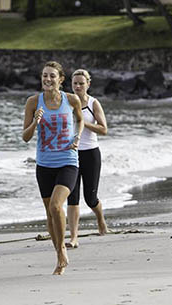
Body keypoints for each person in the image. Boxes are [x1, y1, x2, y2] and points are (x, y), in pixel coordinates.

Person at [22, 61, 83, 275]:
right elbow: (25, 137)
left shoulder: (72, 99)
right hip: (44, 164)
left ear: (61, 79)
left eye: (52, 76)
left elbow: (80, 119)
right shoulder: (33, 102)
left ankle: (63, 249)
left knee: (57, 206)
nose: (47, 80)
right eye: (44, 76)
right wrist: (35, 123)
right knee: (50, 213)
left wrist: (77, 137)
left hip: (68, 161)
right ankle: (58, 252)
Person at [66, 69, 109, 248]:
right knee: (72, 196)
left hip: (90, 153)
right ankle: (74, 237)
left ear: (88, 84)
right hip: (70, 154)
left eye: (81, 83)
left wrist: (83, 122)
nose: (77, 86)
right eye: (75, 83)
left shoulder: (93, 103)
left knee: (90, 198)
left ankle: (100, 220)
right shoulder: (65, 102)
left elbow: (104, 129)